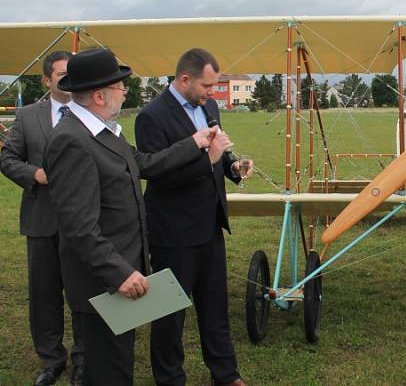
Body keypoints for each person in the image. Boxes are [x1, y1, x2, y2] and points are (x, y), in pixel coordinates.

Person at [42, 48, 231, 386]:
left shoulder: (104, 132)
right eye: (119, 87)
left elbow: (145, 163)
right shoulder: (72, 140)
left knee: (119, 365)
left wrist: (193, 142)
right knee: (107, 371)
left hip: (121, 275)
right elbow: (78, 226)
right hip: (103, 283)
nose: (124, 92)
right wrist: (118, 273)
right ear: (99, 95)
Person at [135, 48, 251, 386]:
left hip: (210, 226)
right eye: (207, 86)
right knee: (168, 315)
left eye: (215, 86)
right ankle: (170, 379)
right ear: (184, 79)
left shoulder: (209, 106)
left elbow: (219, 152)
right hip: (173, 232)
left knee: (215, 308)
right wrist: (210, 160)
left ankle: (226, 375)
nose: (212, 93)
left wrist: (232, 166)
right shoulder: (151, 117)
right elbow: (159, 176)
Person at [0, 51, 87, 386]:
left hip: (83, 221)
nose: (68, 80)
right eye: (62, 74)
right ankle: (52, 360)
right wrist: (33, 173)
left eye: (72, 74)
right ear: (47, 79)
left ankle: (83, 360)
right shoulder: (26, 116)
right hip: (41, 220)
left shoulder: (91, 113)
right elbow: (7, 159)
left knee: (82, 293)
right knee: (44, 294)